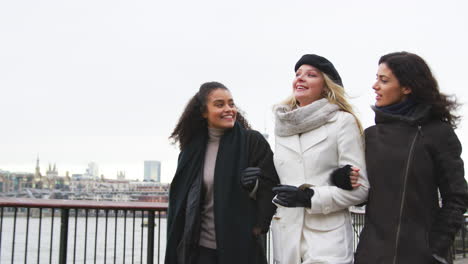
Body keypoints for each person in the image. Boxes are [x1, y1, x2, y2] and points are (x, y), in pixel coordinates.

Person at [354, 51, 468, 264]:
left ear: (407, 87)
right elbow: (359, 194)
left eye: (383, 80)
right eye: (376, 78)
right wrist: (342, 178)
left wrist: (436, 250)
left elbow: (457, 196)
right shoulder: (370, 136)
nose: (374, 86)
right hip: (371, 256)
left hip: (421, 257)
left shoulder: (437, 133)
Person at [165, 81, 280, 264]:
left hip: (241, 248)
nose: (229, 109)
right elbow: (180, 200)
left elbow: (272, 186)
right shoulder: (191, 151)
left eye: (231, 104)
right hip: (199, 251)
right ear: (204, 112)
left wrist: (258, 226)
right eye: (219, 104)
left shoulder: (252, 142)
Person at [271, 54, 369, 264]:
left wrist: (309, 198)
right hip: (286, 239)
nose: (301, 78)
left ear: (326, 86)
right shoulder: (282, 127)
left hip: (327, 241)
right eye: (297, 74)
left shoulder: (343, 122)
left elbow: (361, 189)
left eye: (311, 75)